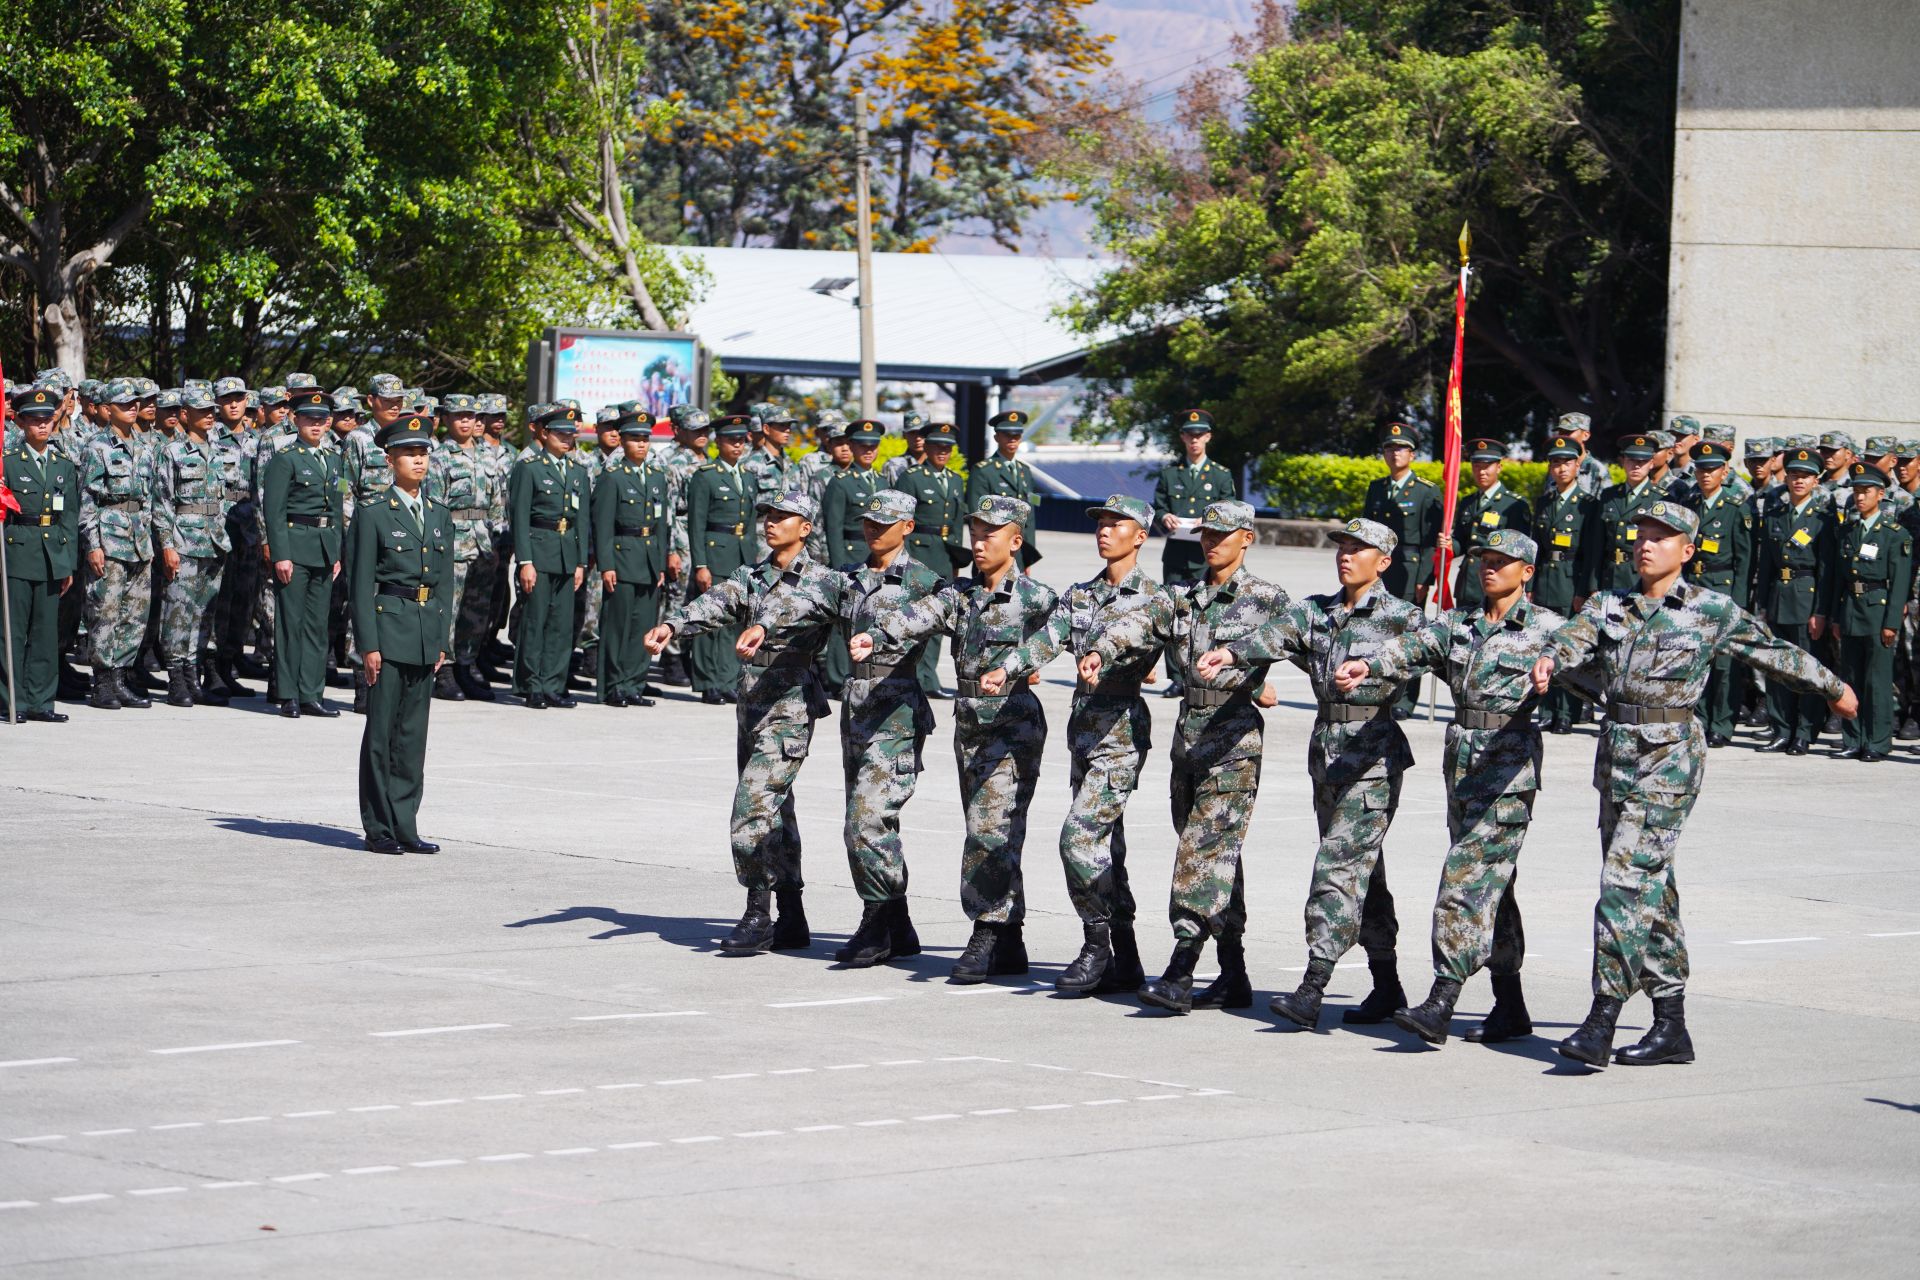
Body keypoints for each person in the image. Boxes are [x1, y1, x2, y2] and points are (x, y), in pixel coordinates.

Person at [1534, 500, 1855, 1068]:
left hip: (1671, 760)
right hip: (1618, 757)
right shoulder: (1611, 605)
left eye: (1661, 537)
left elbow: (1773, 653)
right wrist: (1549, 659)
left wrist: (1832, 688)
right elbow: (1568, 641)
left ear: (1687, 551)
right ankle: (1671, 1024)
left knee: (1624, 881)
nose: (1646, 544)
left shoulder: (1711, 610)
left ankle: (1601, 1017)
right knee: (1649, 888)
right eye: (1641, 535)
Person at [1335, 530, 1563, 1046]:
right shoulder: (1459, 624)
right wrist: (1369, 665)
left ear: (1527, 571)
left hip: (1509, 774)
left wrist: (1561, 672)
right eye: (1485, 559)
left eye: (1504, 562)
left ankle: (1442, 998)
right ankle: (1510, 1005)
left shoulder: (1549, 629)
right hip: (1462, 771)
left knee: (1464, 880)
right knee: (1492, 889)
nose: (1490, 568)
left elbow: (1587, 662)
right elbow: (1412, 647)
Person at [1196, 518, 1423, 1030]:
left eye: (1359, 549)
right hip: (1327, 756)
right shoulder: (1316, 612)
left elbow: (1441, 652)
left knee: (1337, 867)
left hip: (1372, 758)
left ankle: (1312, 984)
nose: (1346, 555)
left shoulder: (1401, 618)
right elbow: (1272, 637)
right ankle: (1386, 983)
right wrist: (1230, 653)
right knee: (1363, 873)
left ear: (1383, 562)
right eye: (1342, 546)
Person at [1079, 500, 1285, 1013]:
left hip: (1234, 744)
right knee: (1216, 859)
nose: (1211, 542)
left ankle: (1181, 967)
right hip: (1188, 742)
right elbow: (1139, 623)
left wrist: (1252, 672)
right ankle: (1234, 971)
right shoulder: (1184, 599)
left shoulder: (1266, 598)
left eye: (1223, 534)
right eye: (1206, 534)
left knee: (1200, 855)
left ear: (1247, 539)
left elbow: (1297, 637)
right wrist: (1104, 647)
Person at [851, 495, 1058, 982]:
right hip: (970, 727)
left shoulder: (1037, 596)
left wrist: (1030, 664)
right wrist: (875, 636)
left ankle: (985, 932)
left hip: (1013, 725)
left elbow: (1073, 631)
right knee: (992, 831)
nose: (980, 542)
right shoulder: (960, 594)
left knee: (990, 830)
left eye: (992, 533)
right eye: (976, 532)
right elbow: (914, 617)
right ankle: (1010, 941)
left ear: (1016, 540)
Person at [643, 490, 840, 954]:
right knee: (776, 811)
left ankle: (758, 912)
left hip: (790, 704)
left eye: (783, 517)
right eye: (768, 516)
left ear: (806, 528)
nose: (771, 523)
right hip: (751, 702)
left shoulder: (824, 580)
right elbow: (716, 602)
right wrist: (673, 625)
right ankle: (792, 914)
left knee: (752, 808)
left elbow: (803, 609)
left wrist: (766, 628)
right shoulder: (751, 575)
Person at [982, 495, 1163, 997]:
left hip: (1121, 735)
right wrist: (1009, 666)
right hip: (1082, 733)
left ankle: (1096, 945)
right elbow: (1048, 637)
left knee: (1078, 839)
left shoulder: (1156, 597)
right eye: (1100, 523)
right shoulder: (1081, 595)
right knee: (1108, 849)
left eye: (1116, 524)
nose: (1105, 531)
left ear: (1141, 535)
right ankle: (1126, 959)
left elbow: (1167, 641)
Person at [825, 490, 943, 966]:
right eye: (868, 521)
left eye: (884, 522)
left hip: (897, 712)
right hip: (856, 709)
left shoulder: (923, 581)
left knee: (866, 818)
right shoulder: (849, 580)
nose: (873, 529)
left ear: (908, 527)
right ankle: (898, 923)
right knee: (868, 818)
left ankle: (877, 921)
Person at [352, 416, 454, 855]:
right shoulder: (373, 513)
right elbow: (358, 586)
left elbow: (445, 582)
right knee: (381, 734)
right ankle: (378, 827)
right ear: (390, 459)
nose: (419, 459)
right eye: (410, 453)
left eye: (424, 452)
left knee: (413, 736)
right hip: (388, 630)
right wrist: (368, 645)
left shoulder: (438, 515)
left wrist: (441, 640)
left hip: (424, 635)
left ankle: (406, 822)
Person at [261, 388, 346, 717]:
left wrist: (335, 552)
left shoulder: (335, 461)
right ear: (295, 420)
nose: (316, 424)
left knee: (316, 625)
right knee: (290, 624)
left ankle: (312, 693)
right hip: (295, 548)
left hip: (324, 550)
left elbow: (337, 508)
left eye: (322, 419)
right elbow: (275, 512)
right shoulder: (285, 459)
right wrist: (280, 554)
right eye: (310, 418)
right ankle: (289, 694)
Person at [151, 386, 234, 708]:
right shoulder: (171, 452)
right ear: (185, 415)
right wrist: (168, 546)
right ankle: (176, 678)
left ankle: (192, 674)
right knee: (177, 612)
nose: (211, 415)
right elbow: (161, 503)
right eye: (203, 411)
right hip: (184, 541)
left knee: (202, 613)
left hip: (213, 541)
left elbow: (224, 497)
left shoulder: (216, 450)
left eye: (213, 410)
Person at [78, 378, 158, 709]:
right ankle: (102, 683)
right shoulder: (97, 447)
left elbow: (150, 498)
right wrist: (93, 544)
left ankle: (122, 677)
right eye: (125, 405)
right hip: (109, 538)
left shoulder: (144, 446)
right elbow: (87, 500)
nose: (133, 408)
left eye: (134, 403)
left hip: (139, 540)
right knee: (105, 611)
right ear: (108, 410)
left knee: (135, 613)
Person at [2, 388, 80, 723]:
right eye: (35, 421)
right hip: (17, 550)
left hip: (51, 555)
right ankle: (12, 700)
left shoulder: (62, 465)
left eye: (47, 419)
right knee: (14, 631)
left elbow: (70, 517)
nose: (42, 426)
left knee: (46, 632)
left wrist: (68, 562)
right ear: (21, 423)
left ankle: (41, 701)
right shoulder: (7, 464)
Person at [1825, 464, 1911, 761]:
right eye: (1857, 491)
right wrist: (1836, 615)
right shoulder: (1848, 531)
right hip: (1851, 609)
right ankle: (1854, 738)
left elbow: (1900, 582)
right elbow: (1839, 578)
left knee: (1877, 681)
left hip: (1877, 610)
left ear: (1881, 494)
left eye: (1866, 491)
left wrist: (1891, 623)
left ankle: (1878, 741)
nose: (1860, 497)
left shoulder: (1894, 534)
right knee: (1851, 678)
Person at [1754, 445, 1835, 755]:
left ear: (1816, 481)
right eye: (1794, 475)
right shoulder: (1776, 514)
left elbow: (1827, 570)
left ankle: (1804, 731)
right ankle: (1780, 728)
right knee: (1777, 668)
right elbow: (1766, 566)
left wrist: (1821, 611)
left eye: (1806, 476)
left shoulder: (1824, 517)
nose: (1799, 481)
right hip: (1777, 598)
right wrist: (1762, 604)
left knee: (1806, 668)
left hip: (1806, 598)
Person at [510, 405, 591, 708]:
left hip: (567, 553)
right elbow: (519, 517)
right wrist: (525, 561)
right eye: (560, 433)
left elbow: (582, 520)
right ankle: (531, 684)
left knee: (561, 623)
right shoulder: (529, 467)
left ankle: (553, 684)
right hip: (539, 550)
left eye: (571, 434)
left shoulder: (577, 471)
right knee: (536, 620)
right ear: (544, 434)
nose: (567, 439)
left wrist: (581, 562)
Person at [427, 393, 505, 702]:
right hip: (454, 538)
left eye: (471, 416)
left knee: (477, 610)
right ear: (446, 419)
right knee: (449, 608)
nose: (465, 421)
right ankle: (443, 670)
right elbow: (434, 503)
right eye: (459, 415)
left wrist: (497, 538)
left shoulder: (487, 455)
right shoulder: (439, 457)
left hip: (483, 541)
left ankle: (466, 665)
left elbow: (497, 501)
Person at [1361, 419, 1441, 716]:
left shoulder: (1426, 491)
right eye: (1390, 448)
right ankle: (1380, 690)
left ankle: (1406, 700)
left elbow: (1432, 542)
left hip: (1410, 568)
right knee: (1377, 629)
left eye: (1402, 449)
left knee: (1408, 635)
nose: (1395, 454)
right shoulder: (1377, 489)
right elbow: (1366, 533)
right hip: (1379, 568)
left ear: (1413, 455)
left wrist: (1425, 579)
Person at [592, 410, 669, 707]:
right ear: (622, 441)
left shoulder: (656, 477)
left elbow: (662, 524)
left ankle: (635, 683)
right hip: (623, 556)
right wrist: (607, 564)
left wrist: (660, 563)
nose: (641, 444)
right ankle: (613, 686)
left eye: (645, 439)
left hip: (648, 557)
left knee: (644, 625)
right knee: (618, 626)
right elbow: (603, 525)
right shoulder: (613, 477)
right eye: (634, 438)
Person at [1684, 441, 1754, 746]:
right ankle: (1700, 718)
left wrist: (1737, 604)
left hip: (1723, 588)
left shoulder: (1736, 507)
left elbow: (1745, 561)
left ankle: (1722, 724)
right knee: (1698, 659)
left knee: (1724, 663)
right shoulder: (1691, 504)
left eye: (1712, 469)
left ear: (1725, 471)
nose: (1706, 474)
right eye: (1701, 468)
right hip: (1695, 590)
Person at [685, 414, 755, 704]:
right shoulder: (706, 476)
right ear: (719, 441)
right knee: (708, 620)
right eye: (731, 440)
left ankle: (727, 679)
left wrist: (752, 561)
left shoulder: (748, 476)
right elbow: (696, 524)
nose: (737, 446)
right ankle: (707, 682)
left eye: (741, 440)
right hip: (714, 555)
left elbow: (750, 522)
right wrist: (701, 564)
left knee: (733, 622)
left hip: (740, 557)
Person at [1531, 432, 1598, 733]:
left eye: (1567, 463)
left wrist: (1584, 590)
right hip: (1546, 579)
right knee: (1545, 645)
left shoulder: (1588, 504)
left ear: (1577, 466)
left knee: (1569, 649)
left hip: (1572, 581)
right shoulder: (1544, 502)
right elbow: (1536, 547)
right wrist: (1529, 585)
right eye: (1556, 463)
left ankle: (1567, 712)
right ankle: (1547, 708)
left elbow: (1592, 552)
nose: (1561, 468)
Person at [894, 424, 968, 697]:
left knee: (938, 617)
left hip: (944, 555)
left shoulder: (955, 479)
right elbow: (901, 520)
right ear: (926, 447)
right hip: (919, 552)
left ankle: (929, 678)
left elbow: (957, 523)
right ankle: (909, 675)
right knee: (912, 615)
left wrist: (957, 557)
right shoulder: (911, 477)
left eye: (947, 448)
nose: (943, 452)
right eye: (937, 447)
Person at [1437, 437, 1530, 610]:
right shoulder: (1468, 502)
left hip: (1497, 581)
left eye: (1487, 466)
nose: (1481, 472)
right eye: (1476, 466)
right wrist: (1450, 544)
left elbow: (1523, 553)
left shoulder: (1514, 505)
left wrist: (1526, 588)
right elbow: (1462, 541)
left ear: (1499, 467)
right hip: (1468, 582)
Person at [1152, 409, 1239, 591]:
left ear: (1208, 437)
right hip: (1175, 556)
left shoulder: (1220, 475)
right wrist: (1165, 516)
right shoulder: (1170, 474)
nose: (1194, 440)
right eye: (1190, 435)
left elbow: (1230, 510)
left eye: (1199, 435)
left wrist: (1209, 520)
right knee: (1171, 604)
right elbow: (1158, 508)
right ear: (1182, 437)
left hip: (1206, 555)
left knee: (1203, 606)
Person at [965, 410, 1042, 566]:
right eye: (1007, 435)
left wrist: (1029, 557)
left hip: (1019, 551)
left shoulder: (1024, 471)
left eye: (1017, 435)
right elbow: (978, 518)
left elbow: (1030, 517)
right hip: (994, 552)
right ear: (996, 437)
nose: (1012, 439)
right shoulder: (983, 471)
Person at [1591, 434, 1663, 594]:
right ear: (1623, 461)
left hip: (1640, 578)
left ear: (1651, 464)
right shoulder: (1609, 496)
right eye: (1631, 460)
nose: (1636, 466)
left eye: (1642, 461)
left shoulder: (1660, 499)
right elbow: (1597, 545)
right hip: (1609, 576)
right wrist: (1592, 585)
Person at [881, 411, 928, 486]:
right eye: (912, 433)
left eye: (922, 433)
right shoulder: (893, 466)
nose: (918, 438)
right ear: (904, 435)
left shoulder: (937, 465)